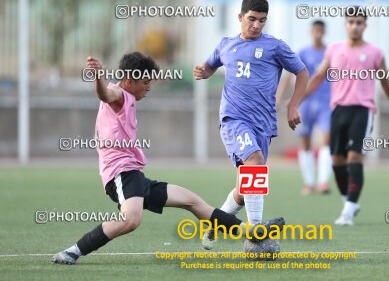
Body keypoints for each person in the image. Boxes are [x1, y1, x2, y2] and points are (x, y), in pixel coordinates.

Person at [53, 52, 283, 265]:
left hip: (135, 176)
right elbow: (105, 94)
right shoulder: (119, 94)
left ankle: (252, 232)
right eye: (145, 83)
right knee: (130, 220)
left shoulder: (125, 94)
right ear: (129, 82)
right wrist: (98, 77)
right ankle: (73, 251)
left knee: (192, 201)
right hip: (120, 174)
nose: (149, 88)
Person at [194, 0, 308, 249]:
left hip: (263, 124)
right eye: (252, 19)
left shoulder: (275, 46)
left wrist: (293, 104)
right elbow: (211, 65)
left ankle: (215, 224)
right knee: (255, 164)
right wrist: (204, 71)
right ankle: (256, 232)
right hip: (234, 119)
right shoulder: (226, 45)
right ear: (240, 17)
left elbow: (301, 71)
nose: (256, 25)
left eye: (262, 21)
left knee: (246, 190)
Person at [304, 7, 389, 226]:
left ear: (365, 25)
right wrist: (298, 99)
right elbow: (319, 76)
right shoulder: (334, 49)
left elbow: (385, 81)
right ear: (345, 25)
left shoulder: (375, 53)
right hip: (338, 110)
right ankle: (349, 202)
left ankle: (347, 213)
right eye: (351, 22)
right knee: (336, 160)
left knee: (354, 157)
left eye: (359, 22)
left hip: (362, 110)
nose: (355, 26)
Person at [276, 20, 332, 195]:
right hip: (305, 103)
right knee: (305, 141)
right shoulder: (303, 53)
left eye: (320, 30)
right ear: (311, 31)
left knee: (327, 140)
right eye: (315, 30)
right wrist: (278, 98)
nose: (317, 33)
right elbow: (288, 76)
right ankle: (309, 182)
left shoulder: (330, 53)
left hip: (326, 103)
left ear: (324, 32)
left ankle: (323, 182)